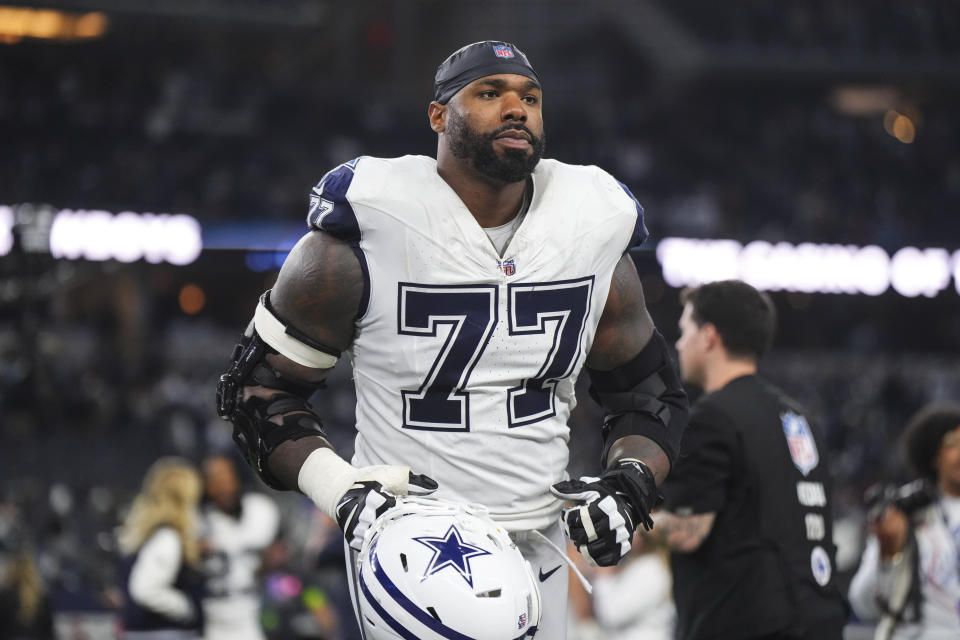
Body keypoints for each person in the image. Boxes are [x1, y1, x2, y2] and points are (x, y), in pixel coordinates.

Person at [216, 40, 689, 638]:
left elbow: (648, 395)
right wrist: (338, 489)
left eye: (531, 99)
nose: (517, 108)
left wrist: (629, 484)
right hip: (412, 542)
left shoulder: (590, 226)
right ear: (438, 116)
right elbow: (257, 393)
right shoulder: (366, 230)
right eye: (490, 93)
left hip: (541, 543)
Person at [649, 280, 847, 640]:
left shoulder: (712, 418)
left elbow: (687, 531)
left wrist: (633, 522)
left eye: (684, 331)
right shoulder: (800, 418)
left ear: (709, 336)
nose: (678, 344)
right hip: (820, 616)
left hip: (746, 622)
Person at [848, 404, 960, 639]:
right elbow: (863, 604)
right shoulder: (906, 515)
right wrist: (888, 554)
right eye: (953, 444)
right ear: (932, 455)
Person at [118, 457, 204, 639]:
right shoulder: (167, 538)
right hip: (164, 633)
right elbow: (145, 590)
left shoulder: (147, 534)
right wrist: (187, 608)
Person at [198, 453, 281, 640]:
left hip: (256, 613)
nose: (224, 487)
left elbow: (282, 560)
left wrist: (269, 562)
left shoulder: (260, 511)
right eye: (216, 481)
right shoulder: (198, 522)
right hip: (211, 619)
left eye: (228, 478)